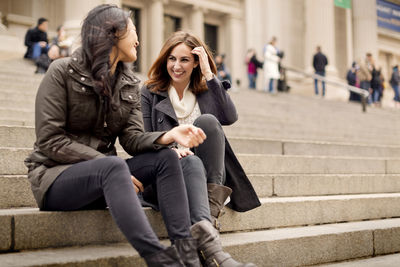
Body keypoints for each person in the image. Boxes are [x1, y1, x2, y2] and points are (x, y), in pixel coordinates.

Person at [24, 5, 215, 267]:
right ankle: (160, 260)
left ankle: (187, 254)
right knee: (112, 166)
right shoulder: (61, 71)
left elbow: (133, 139)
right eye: (133, 31)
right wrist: (110, 168)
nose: (138, 40)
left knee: (167, 159)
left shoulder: (128, 84)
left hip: (106, 177)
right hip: (55, 178)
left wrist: (168, 135)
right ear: (112, 34)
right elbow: (50, 141)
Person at [141, 31, 260, 266]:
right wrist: (169, 150)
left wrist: (209, 73)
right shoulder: (150, 91)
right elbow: (142, 137)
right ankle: (212, 246)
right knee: (190, 160)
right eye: (172, 59)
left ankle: (208, 225)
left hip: (205, 174)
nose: (176, 66)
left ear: (195, 62)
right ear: (165, 60)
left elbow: (229, 117)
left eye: (184, 60)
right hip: (166, 170)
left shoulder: (204, 90)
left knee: (208, 123)